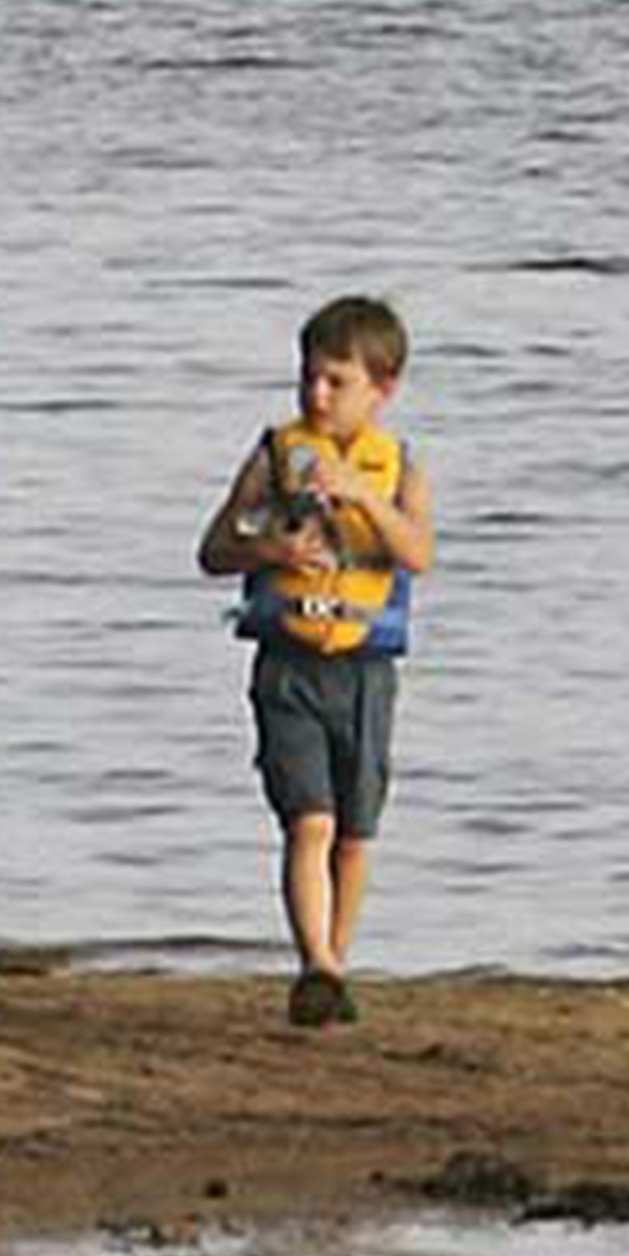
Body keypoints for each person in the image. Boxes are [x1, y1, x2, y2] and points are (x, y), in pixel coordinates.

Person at [197, 294, 437, 1027]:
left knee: (356, 833)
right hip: (289, 665)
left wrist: (362, 492)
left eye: (337, 381)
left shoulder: (397, 468)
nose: (316, 395)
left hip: (363, 671)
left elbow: (418, 554)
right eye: (309, 377)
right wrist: (268, 548)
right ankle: (317, 964)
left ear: (382, 387)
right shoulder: (276, 456)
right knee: (311, 821)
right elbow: (212, 551)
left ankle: (333, 967)